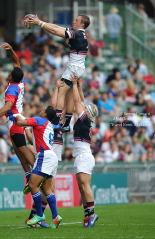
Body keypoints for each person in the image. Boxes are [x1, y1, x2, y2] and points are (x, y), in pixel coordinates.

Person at [0, 42, 35, 182]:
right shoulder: (20, 80)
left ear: (11, 77)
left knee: (22, 148)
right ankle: (29, 176)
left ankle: (38, 171)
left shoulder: (12, 89)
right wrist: (11, 49)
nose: (9, 72)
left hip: (14, 119)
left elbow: (7, 107)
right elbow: (16, 62)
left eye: (10, 72)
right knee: (18, 151)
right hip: (17, 117)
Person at [29, 14, 90, 130]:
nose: (74, 21)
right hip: (79, 69)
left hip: (73, 69)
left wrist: (40, 24)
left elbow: (57, 33)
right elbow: (58, 28)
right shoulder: (79, 33)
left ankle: (56, 122)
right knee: (70, 95)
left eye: (76, 20)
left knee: (61, 92)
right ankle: (66, 124)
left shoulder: (77, 34)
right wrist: (41, 21)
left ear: (82, 24)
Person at [16, 106, 62, 229]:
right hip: (52, 157)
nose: (40, 111)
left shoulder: (39, 120)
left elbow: (19, 122)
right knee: (47, 190)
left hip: (44, 156)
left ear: (45, 114)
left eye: (42, 110)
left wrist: (16, 114)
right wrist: (27, 130)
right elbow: (33, 141)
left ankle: (39, 215)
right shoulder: (48, 125)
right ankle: (55, 216)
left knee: (32, 185)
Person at [70, 74, 99, 228]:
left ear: (88, 112)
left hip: (84, 156)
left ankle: (92, 214)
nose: (83, 106)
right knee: (81, 186)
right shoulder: (86, 119)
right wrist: (80, 86)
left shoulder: (84, 119)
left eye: (85, 108)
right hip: (81, 155)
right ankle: (88, 215)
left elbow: (76, 101)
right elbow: (81, 101)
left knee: (84, 185)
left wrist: (74, 84)